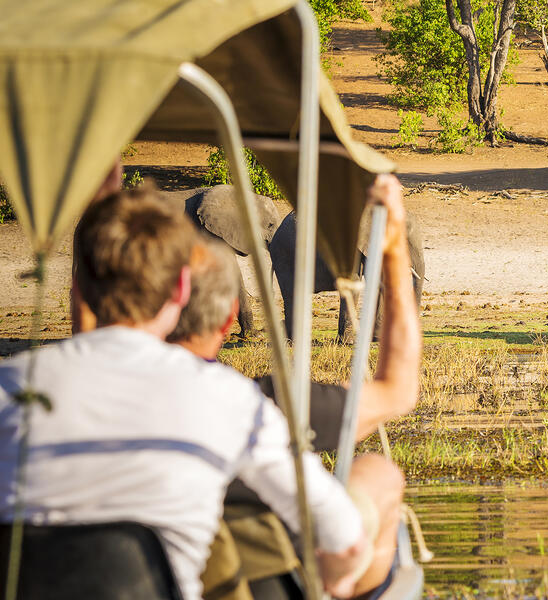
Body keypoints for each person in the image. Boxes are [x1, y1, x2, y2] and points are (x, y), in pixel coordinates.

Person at [0, 187, 371, 599]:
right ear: (181, 289)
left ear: (77, 289)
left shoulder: (7, 387)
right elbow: (344, 535)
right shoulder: (228, 400)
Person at [168, 174, 420, 599]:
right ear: (230, 318)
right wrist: (392, 249)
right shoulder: (254, 409)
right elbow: (398, 389)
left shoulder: (22, 398)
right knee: (377, 473)